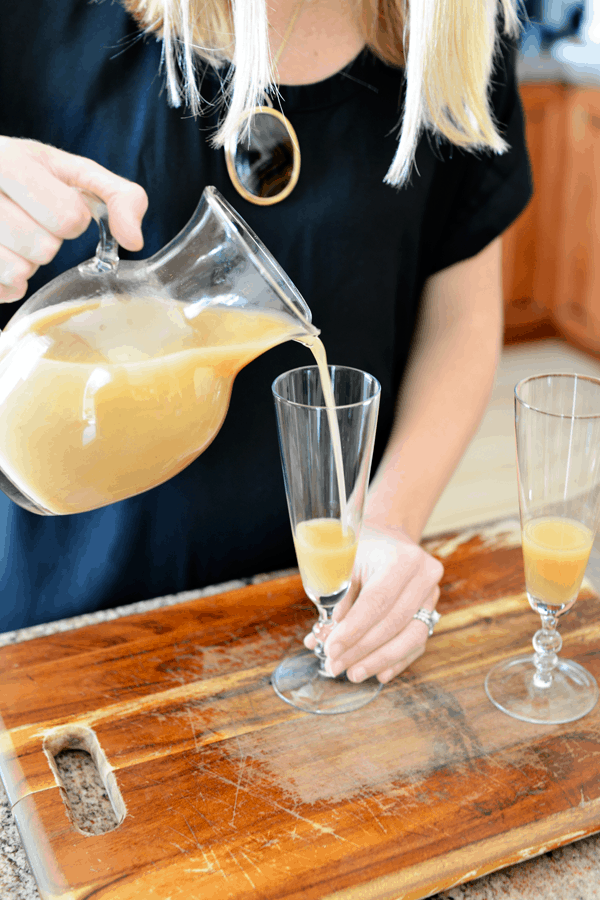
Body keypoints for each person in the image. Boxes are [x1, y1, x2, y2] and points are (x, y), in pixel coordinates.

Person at [0, 0, 530, 685]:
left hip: (312, 626)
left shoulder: (458, 25)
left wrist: (388, 523)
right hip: (66, 626)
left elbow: (459, 315)